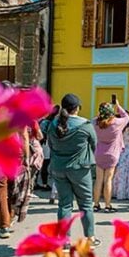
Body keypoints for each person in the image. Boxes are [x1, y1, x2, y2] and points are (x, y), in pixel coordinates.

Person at [45, 93, 100, 246]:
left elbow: (50, 143)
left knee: (64, 205)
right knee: (86, 204)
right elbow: (94, 145)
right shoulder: (86, 126)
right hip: (80, 169)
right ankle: (90, 238)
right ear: (77, 108)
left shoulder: (53, 125)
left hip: (58, 167)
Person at [93, 99, 129, 212]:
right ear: (111, 112)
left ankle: (95, 204)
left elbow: (95, 118)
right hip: (112, 154)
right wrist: (118, 106)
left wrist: (101, 113)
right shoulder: (117, 123)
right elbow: (127, 117)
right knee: (108, 180)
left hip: (99, 153)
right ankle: (108, 205)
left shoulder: (95, 122)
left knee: (98, 180)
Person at [9, 123, 44, 226]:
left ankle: (11, 215)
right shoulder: (31, 121)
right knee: (25, 184)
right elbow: (40, 136)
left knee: (13, 186)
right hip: (29, 155)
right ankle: (16, 211)